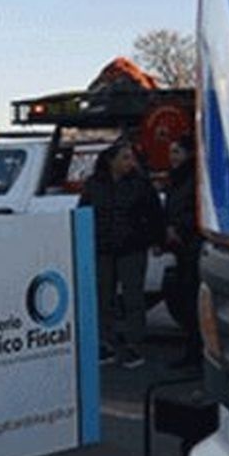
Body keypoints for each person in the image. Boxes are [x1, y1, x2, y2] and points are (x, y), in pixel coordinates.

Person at [78, 142, 164, 369]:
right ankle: (106, 344)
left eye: (131, 158)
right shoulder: (94, 184)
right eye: (125, 158)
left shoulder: (140, 185)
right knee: (103, 298)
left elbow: (154, 213)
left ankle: (134, 346)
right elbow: (84, 212)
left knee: (133, 298)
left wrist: (156, 240)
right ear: (111, 160)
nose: (130, 163)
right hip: (103, 248)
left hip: (132, 248)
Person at [163, 139, 201, 367]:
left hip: (192, 244)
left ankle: (196, 351)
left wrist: (179, 228)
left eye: (176, 151)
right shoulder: (177, 178)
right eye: (171, 152)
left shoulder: (192, 179)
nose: (172, 156)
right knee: (187, 300)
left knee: (192, 300)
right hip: (183, 247)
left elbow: (195, 209)